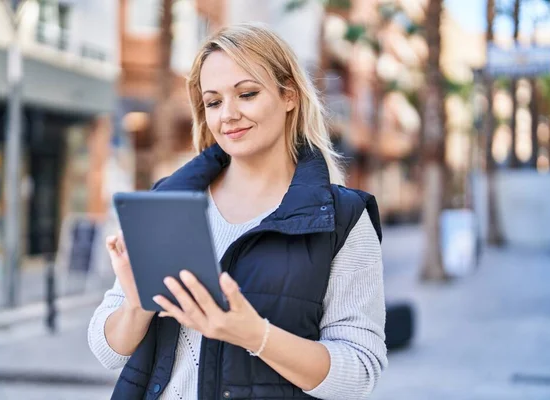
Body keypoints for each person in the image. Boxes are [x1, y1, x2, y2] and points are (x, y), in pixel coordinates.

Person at [88, 22, 387, 400]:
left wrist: (253, 334)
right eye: (213, 102)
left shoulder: (341, 218)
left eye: (246, 94)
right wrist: (136, 305)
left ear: (289, 95)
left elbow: (360, 371)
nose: (227, 115)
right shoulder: (171, 198)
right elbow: (107, 350)